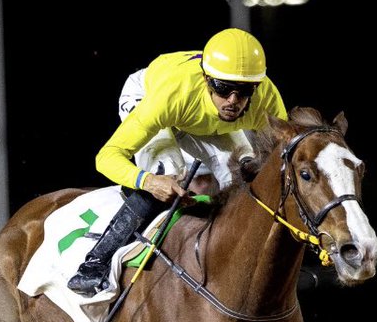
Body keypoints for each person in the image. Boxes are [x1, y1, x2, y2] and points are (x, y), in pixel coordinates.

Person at [67, 28, 288, 296]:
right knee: (169, 172)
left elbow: (283, 164)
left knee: (243, 173)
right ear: (207, 79)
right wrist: (147, 180)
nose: (233, 101)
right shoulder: (171, 96)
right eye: (223, 88)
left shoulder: (266, 98)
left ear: (257, 86)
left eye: (244, 91)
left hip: (199, 115)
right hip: (151, 95)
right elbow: (106, 157)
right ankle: (93, 265)